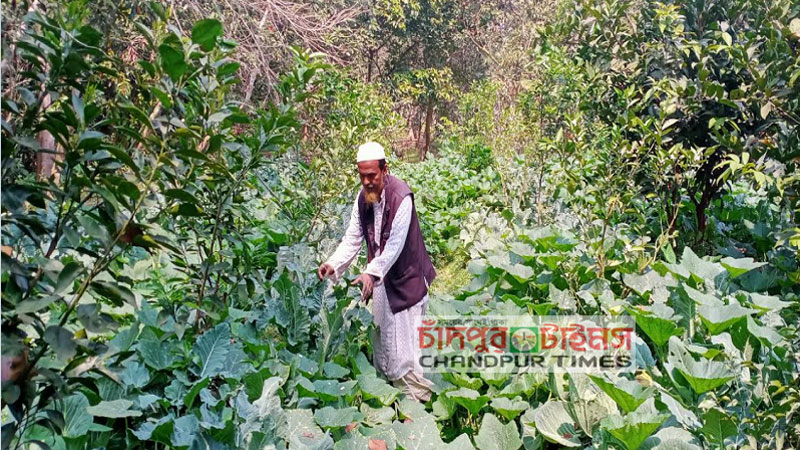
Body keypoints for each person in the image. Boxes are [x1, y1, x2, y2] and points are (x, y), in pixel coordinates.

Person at [318, 142, 436, 402]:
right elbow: (352, 238)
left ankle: (416, 409)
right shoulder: (362, 199)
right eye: (362, 176)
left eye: (372, 175)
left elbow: (394, 246)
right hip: (383, 281)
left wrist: (370, 273)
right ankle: (391, 402)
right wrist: (333, 264)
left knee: (407, 351)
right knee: (382, 343)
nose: (367, 182)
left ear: (385, 170)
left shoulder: (401, 197)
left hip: (408, 281)